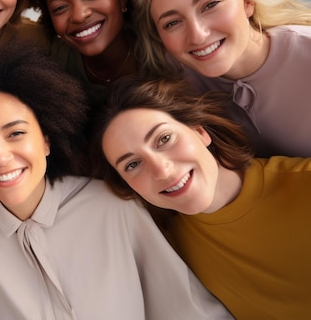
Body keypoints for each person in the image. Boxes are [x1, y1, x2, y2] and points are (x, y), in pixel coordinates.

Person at [0, 42, 233, 320]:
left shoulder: (112, 205)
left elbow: (187, 307)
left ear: (45, 139)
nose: (0, 156)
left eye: (15, 134)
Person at [93, 75, 311, 320]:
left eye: (164, 139)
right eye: (132, 164)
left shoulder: (304, 184)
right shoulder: (163, 243)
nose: (162, 170)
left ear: (200, 132)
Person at [128, 0, 311, 157]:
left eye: (211, 4)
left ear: (247, 1)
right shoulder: (177, 82)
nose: (198, 35)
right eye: (173, 22)